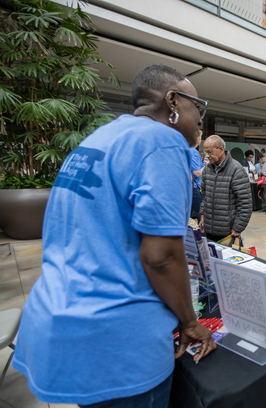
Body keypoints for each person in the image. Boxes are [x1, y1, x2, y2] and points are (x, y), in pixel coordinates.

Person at [12, 64, 216, 407]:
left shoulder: (95, 142)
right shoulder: (163, 143)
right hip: (118, 344)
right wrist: (190, 322)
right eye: (198, 107)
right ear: (172, 102)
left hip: (60, 327)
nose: (200, 119)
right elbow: (161, 256)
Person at [200, 135, 252, 242]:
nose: (207, 156)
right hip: (209, 230)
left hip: (228, 232)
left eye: (210, 152)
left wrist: (238, 227)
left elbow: (245, 203)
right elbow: (205, 197)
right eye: (206, 152)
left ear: (221, 149)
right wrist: (202, 215)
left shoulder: (237, 170)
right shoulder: (207, 170)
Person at [190, 130, 204, 224]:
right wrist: (204, 167)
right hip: (195, 187)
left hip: (188, 187)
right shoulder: (193, 152)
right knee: (201, 215)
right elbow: (197, 173)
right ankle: (202, 237)